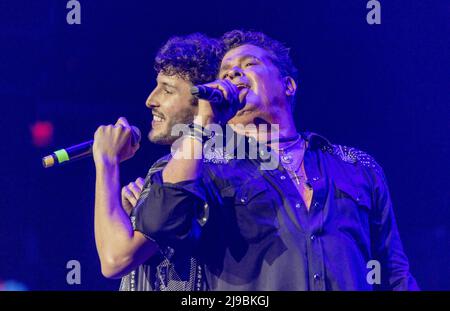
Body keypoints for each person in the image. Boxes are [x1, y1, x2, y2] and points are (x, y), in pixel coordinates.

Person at [130, 29, 419, 290]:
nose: (232, 75)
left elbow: (394, 272)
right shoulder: (204, 165)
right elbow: (159, 224)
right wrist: (203, 122)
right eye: (225, 71)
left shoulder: (356, 166)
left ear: (288, 85)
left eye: (249, 64)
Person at [92, 33, 224, 290]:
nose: (151, 100)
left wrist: (107, 162)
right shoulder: (222, 164)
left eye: (167, 89)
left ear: (203, 103)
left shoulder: (193, 171)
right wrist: (131, 217)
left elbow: (114, 260)